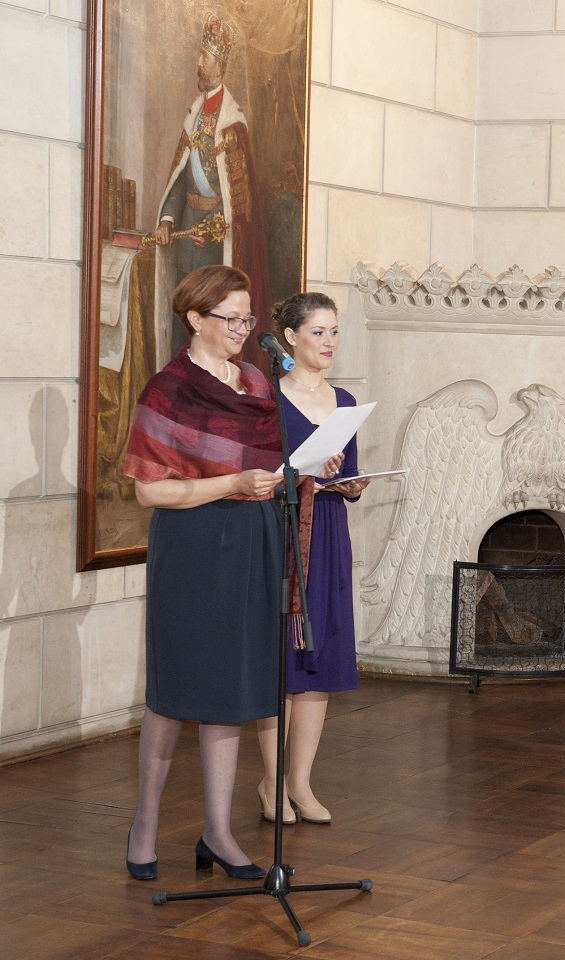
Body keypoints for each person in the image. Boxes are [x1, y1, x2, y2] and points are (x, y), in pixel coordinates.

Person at [122, 265, 339, 881]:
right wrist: (232, 483)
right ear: (195, 319)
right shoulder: (167, 390)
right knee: (174, 691)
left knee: (230, 691)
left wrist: (309, 469)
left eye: (248, 318)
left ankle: (217, 831)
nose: (245, 329)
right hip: (192, 546)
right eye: (232, 318)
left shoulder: (255, 382)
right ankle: (144, 825)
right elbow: (149, 492)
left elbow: (267, 469)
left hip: (253, 541)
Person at [256, 292, 370, 825]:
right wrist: (300, 477)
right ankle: (271, 783)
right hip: (280, 534)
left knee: (319, 657)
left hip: (327, 531)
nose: (329, 342)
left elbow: (349, 474)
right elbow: (255, 473)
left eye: (334, 331)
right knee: (281, 662)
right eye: (318, 332)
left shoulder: (344, 400)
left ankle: (300, 783)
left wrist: (350, 483)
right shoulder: (267, 398)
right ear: (290, 337)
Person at [154, 13, 271, 367]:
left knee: (210, 321)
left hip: (215, 244)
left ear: (219, 66)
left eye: (204, 57)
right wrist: (168, 219)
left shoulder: (233, 125)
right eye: (200, 56)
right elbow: (180, 179)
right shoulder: (193, 117)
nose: (198, 63)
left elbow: (240, 202)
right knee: (182, 319)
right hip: (186, 239)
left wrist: (214, 226)